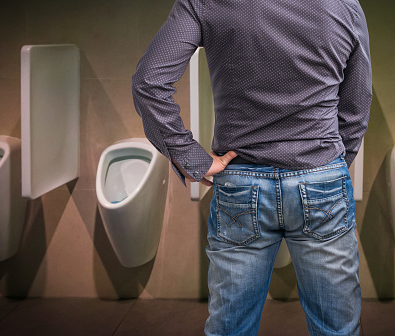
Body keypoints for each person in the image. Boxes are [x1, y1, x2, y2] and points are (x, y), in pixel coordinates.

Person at [132, 0, 372, 335]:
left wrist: (194, 160)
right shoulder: (344, 5)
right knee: (337, 330)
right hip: (321, 178)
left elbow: (148, 83)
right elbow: (357, 105)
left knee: (231, 329)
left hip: (241, 184)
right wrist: (327, 167)